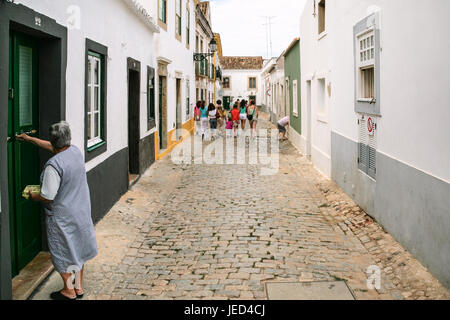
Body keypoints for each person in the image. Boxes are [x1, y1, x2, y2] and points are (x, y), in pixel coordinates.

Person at [16, 122, 98, 300]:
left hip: (63, 216)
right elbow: (54, 147)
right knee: (78, 249)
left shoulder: (53, 166)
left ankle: (68, 291)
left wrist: (32, 195)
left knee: (63, 252)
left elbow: (48, 196)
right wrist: (30, 139)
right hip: (81, 211)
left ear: (54, 142)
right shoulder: (75, 152)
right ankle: (78, 288)